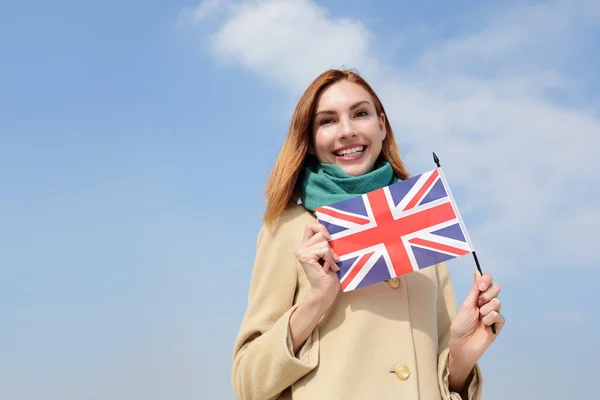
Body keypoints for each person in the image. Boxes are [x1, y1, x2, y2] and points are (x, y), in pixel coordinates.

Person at [231, 69, 504, 400]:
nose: (347, 131)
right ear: (311, 140)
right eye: (327, 121)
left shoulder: (422, 222)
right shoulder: (288, 228)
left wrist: (461, 353)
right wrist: (316, 301)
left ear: (381, 125)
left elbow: (443, 381)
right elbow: (247, 384)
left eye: (360, 113)